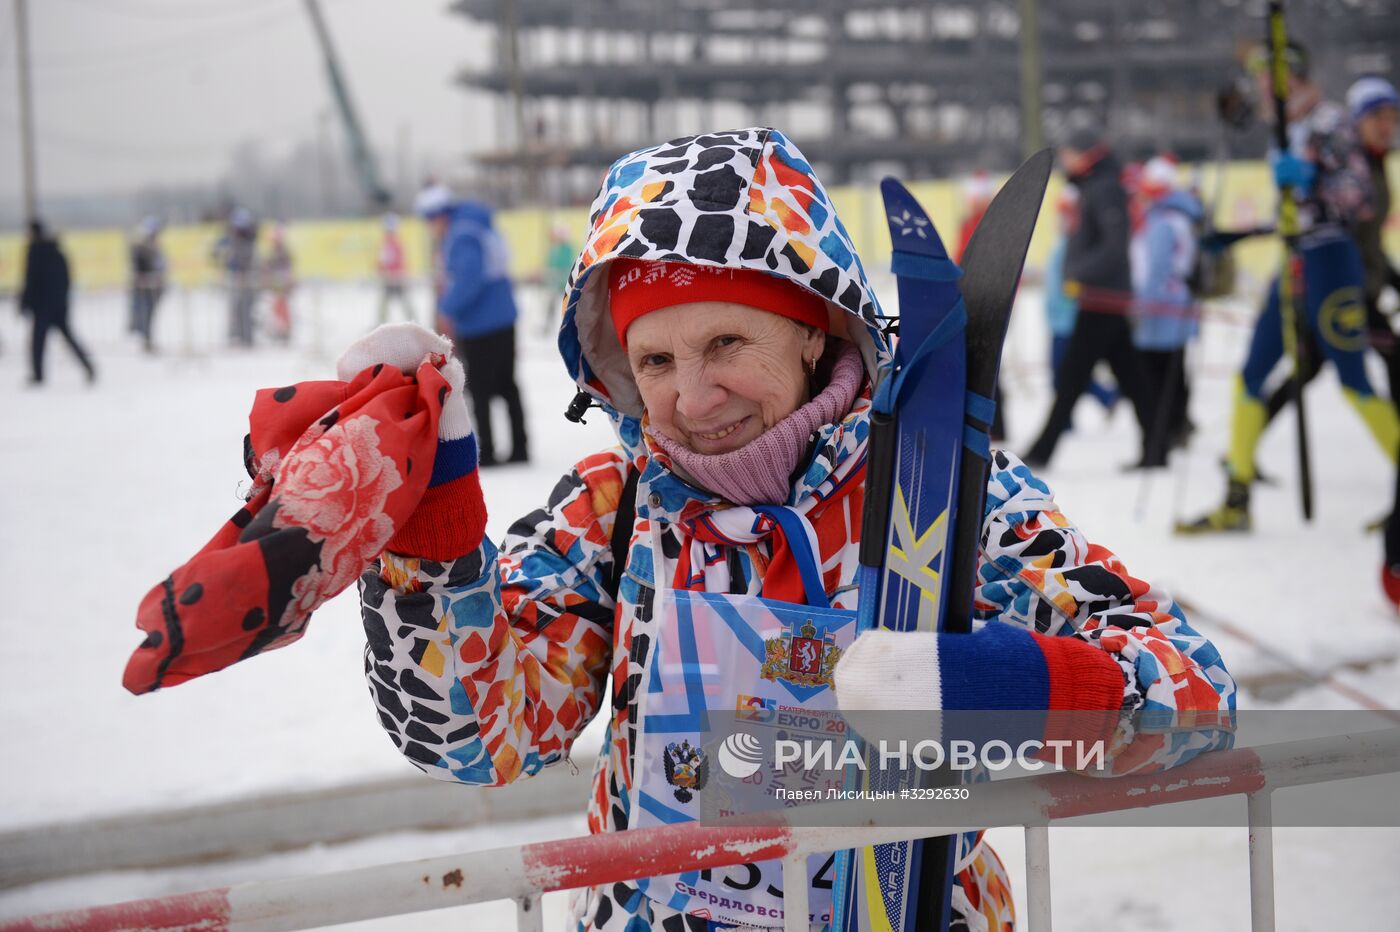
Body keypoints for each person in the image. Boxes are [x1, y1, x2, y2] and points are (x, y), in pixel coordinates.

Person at [349, 127, 1234, 931]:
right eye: (655, 360)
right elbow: (475, 736)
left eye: (728, 342)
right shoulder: (615, 508)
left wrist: (1017, 690)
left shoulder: (946, 494)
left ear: (813, 327)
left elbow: (1197, 702)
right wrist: (430, 536)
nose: (693, 397)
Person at [1180, 46, 1399, 533]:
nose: (1259, 90)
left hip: (1333, 261)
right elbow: (1293, 212)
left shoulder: (1329, 123)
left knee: (1354, 381)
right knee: (1251, 375)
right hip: (1296, 260)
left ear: (1291, 81)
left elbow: (1360, 197)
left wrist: (1314, 176)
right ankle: (1236, 498)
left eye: (1265, 80)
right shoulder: (1287, 129)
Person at [1023, 125, 1165, 470]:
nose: (1065, 162)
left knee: (1072, 375)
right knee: (1132, 378)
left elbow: (1114, 246)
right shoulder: (1098, 185)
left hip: (1103, 298)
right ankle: (1157, 446)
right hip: (1101, 297)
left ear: (1085, 155)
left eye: (1069, 154)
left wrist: (1078, 275)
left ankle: (1042, 451)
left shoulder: (1104, 188)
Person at [418, 189, 529, 466]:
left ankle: (488, 453)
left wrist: (447, 308)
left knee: (479, 389)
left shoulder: (461, 235)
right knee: (507, 385)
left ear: (438, 216)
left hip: (481, 323)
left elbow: (469, 279)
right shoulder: (477, 225)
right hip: (503, 315)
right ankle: (520, 448)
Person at [1129, 155, 1203, 453]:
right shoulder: (1183, 218)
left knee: (1157, 374)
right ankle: (1179, 425)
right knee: (1176, 370)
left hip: (1161, 309)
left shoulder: (1162, 221)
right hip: (1179, 304)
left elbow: (1156, 269)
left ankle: (1168, 428)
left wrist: (1143, 305)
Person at [1044, 186, 1119, 425]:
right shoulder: (1065, 243)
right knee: (1066, 371)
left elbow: (1075, 283)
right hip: (1059, 319)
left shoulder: (1076, 246)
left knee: (1065, 372)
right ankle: (1103, 399)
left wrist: (1071, 300)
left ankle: (1070, 417)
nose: (1062, 218)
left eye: (1067, 213)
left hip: (1069, 321)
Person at [21, 219, 95, 386]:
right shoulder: (57, 251)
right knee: (69, 339)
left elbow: (31, 279)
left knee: (38, 343)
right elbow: (66, 279)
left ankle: (38, 375)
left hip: (42, 307)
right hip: (59, 306)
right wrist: (62, 301)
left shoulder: (35, 251)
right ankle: (88, 366)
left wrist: (25, 302)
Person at [213, 207, 260, 348]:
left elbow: (245, 259)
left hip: (247, 278)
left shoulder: (248, 240)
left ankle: (246, 337)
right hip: (237, 279)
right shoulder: (233, 239)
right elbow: (217, 250)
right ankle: (237, 336)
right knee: (236, 309)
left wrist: (233, 263)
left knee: (245, 309)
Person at [129, 216, 167, 354]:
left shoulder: (156, 248)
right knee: (144, 315)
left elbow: (161, 267)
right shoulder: (140, 249)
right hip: (144, 289)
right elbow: (137, 270)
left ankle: (148, 340)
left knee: (150, 316)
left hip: (155, 288)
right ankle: (146, 341)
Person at [376, 212, 414, 325]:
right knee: (387, 302)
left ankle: (412, 322)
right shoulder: (390, 242)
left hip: (395, 277)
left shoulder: (392, 243)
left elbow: (389, 260)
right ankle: (412, 321)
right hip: (392, 276)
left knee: (401, 301)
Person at [540, 224, 576, 337]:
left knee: (567, 306)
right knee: (551, 305)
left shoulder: (567, 249)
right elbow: (550, 265)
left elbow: (566, 266)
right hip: (555, 283)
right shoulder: (554, 250)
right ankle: (548, 326)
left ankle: (568, 327)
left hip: (564, 283)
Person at [262, 223, 295, 343]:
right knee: (277, 310)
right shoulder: (274, 252)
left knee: (282, 311)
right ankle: (280, 332)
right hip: (276, 288)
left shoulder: (282, 253)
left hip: (281, 287)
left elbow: (286, 269)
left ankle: (284, 333)